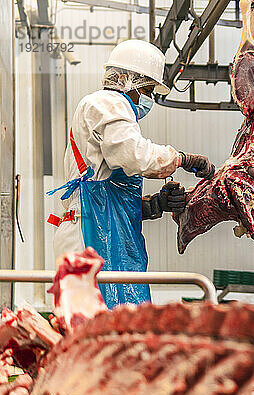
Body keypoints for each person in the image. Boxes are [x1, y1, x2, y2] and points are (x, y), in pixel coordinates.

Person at [49, 39, 215, 309]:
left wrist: (153, 205)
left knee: (122, 331)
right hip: (88, 234)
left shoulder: (113, 115)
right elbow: (135, 156)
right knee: (90, 331)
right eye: (147, 89)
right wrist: (184, 159)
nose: (148, 99)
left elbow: (111, 197)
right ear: (127, 80)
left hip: (111, 233)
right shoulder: (105, 103)